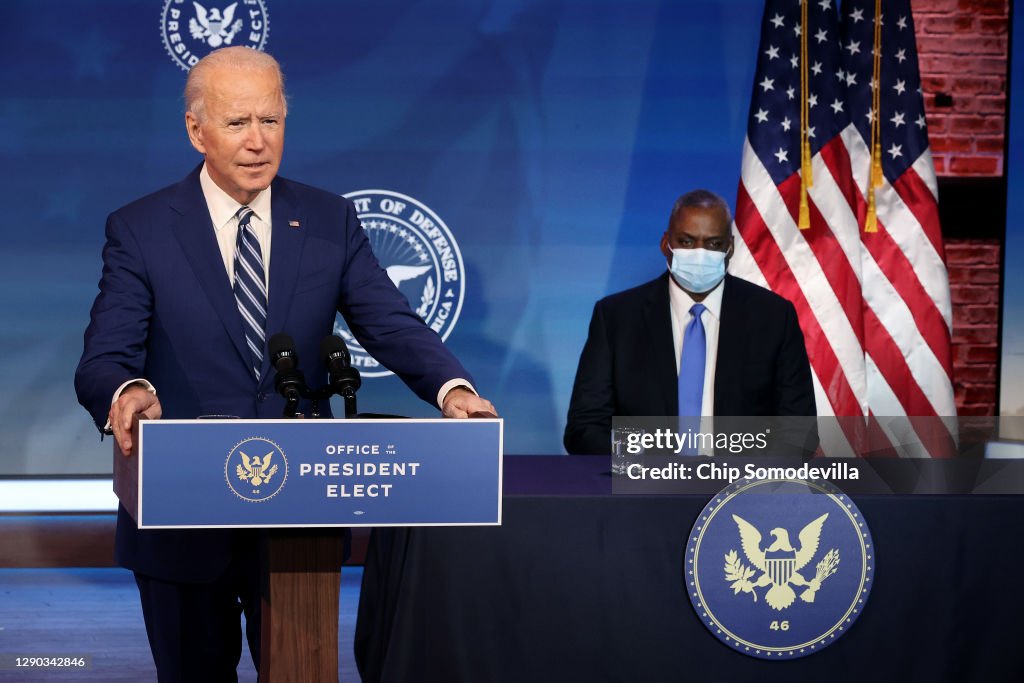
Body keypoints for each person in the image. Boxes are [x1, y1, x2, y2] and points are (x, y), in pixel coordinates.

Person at [74, 47, 495, 681]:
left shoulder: (328, 219)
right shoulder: (141, 229)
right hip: (181, 518)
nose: (257, 142)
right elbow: (106, 354)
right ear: (197, 131)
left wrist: (450, 388)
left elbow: (387, 319)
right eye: (238, 122)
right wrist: (127, 390)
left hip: (299, 511)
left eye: (271, 121)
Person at [563, 189, 814, 455]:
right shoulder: (616, 318)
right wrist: (643, 464)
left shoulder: (773, 317)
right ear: (665, 244)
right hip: (644, 489)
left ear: (730, 248)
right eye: (686, 241)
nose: (700, 253)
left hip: (740, 490)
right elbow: (585, 428)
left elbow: (799, 431)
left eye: (714, 244)